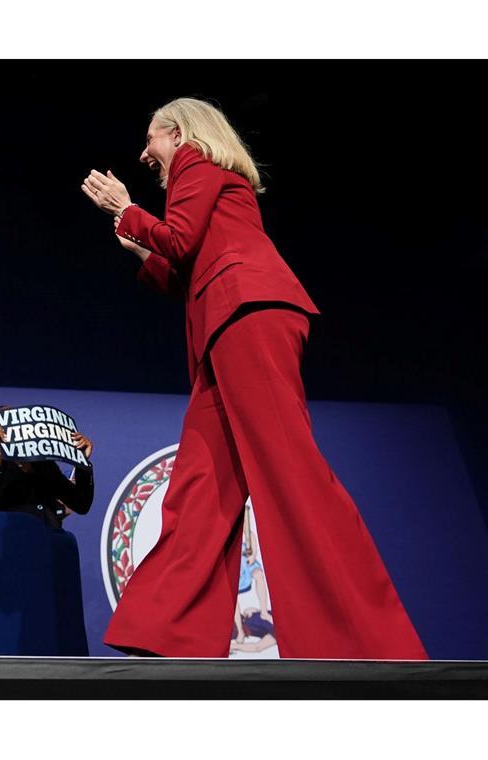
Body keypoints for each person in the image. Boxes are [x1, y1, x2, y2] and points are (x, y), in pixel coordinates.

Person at [83, 96, 426, 659]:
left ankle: (359, 637)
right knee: (201, 482)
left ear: (181, 131)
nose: (145, 154)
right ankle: (169, 633)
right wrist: (140, 247)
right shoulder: (207, 178)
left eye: (151, 139)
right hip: (225, 325)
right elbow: (188, 268)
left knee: (289, 471)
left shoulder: (196, 160)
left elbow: (181, 239)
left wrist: (126, 209)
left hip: (248, 316)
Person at [0, 412, 94, 529]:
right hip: (9, 541)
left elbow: (81, 504)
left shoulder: (43, 465)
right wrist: (1, 454)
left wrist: (81, 461)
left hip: (46, 540)